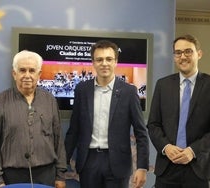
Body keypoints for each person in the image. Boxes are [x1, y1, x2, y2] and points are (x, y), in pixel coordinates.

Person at [147, 34, 210, 188]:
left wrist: (192, 151)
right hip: (167, 167)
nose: (182, 56)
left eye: (188, 51)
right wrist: (166, 147)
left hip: (200, 167)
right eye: (178, 53)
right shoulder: (163, 85)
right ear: (174, 57)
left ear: (199, 54)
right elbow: (153, 124)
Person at [64, 40, 149, 188]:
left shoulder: (129, 92)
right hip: (88, 161)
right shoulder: (82, 90)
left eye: (109, 59)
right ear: (93, 62)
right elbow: (74, 130)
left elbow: (141, 132)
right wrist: (62, 163)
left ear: (116, 62)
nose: (104, 63)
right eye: (99, 59)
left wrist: (142, 167)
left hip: (117, 163)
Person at [0, 50, 67, 188]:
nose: (27, 75)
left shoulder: (49, 100)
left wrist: (60, 176)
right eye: (22, 70)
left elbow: (58, 140)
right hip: (11, 177)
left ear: (39, 74)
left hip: (46, 175)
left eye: (32, 70)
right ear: (14, 74)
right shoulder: (1, 101)